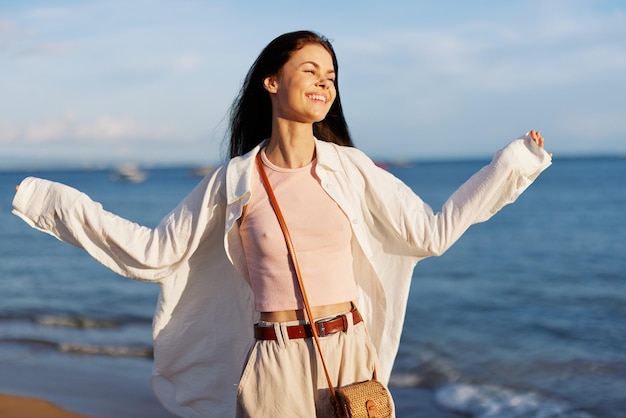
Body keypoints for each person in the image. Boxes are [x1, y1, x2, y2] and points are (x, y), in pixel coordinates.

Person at [12, 30, 551, 417]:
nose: (324, 83)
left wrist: (515, 164)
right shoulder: (234, 179)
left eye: (332, 76)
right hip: (274, 361)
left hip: (350, 354)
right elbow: (154, 253)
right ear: (272, 81)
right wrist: (49, 200)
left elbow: (430, 234)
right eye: (310, 71)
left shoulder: (350, 167)